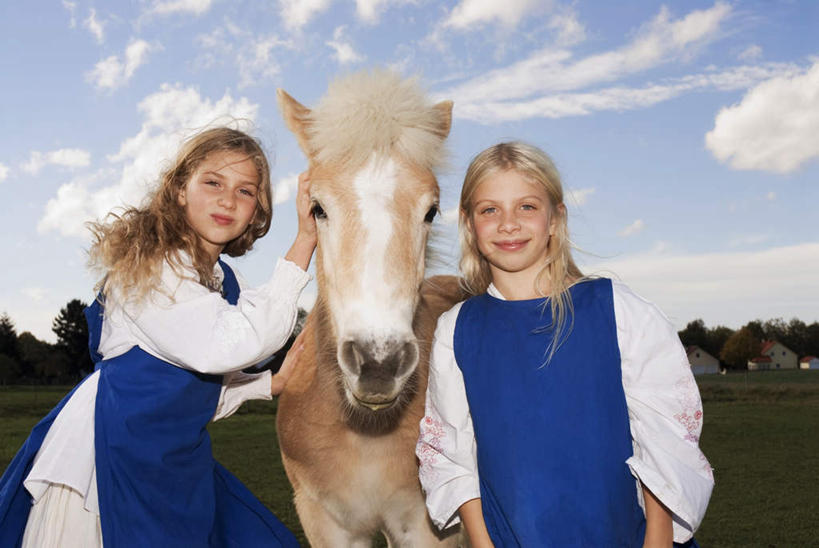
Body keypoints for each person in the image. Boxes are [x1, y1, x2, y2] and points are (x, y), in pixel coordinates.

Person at [0, 127, 316, 547]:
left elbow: (187, 393)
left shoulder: (226, 282)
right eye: (213, 182)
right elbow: (219, 348)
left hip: (169, 454)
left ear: (256, 211)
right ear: (180, 190)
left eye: (245, 191)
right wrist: (304, 241)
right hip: (114, 450)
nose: (227, 199)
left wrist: (266, 384)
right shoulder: (152, 264)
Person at [416, 142, 714, 547]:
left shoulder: (619, 311)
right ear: (469, 224)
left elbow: (665, 440)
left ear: (556, 218)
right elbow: (453, 454)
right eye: (490, 210)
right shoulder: (456, 330)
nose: (508, 224)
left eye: (527, 207)